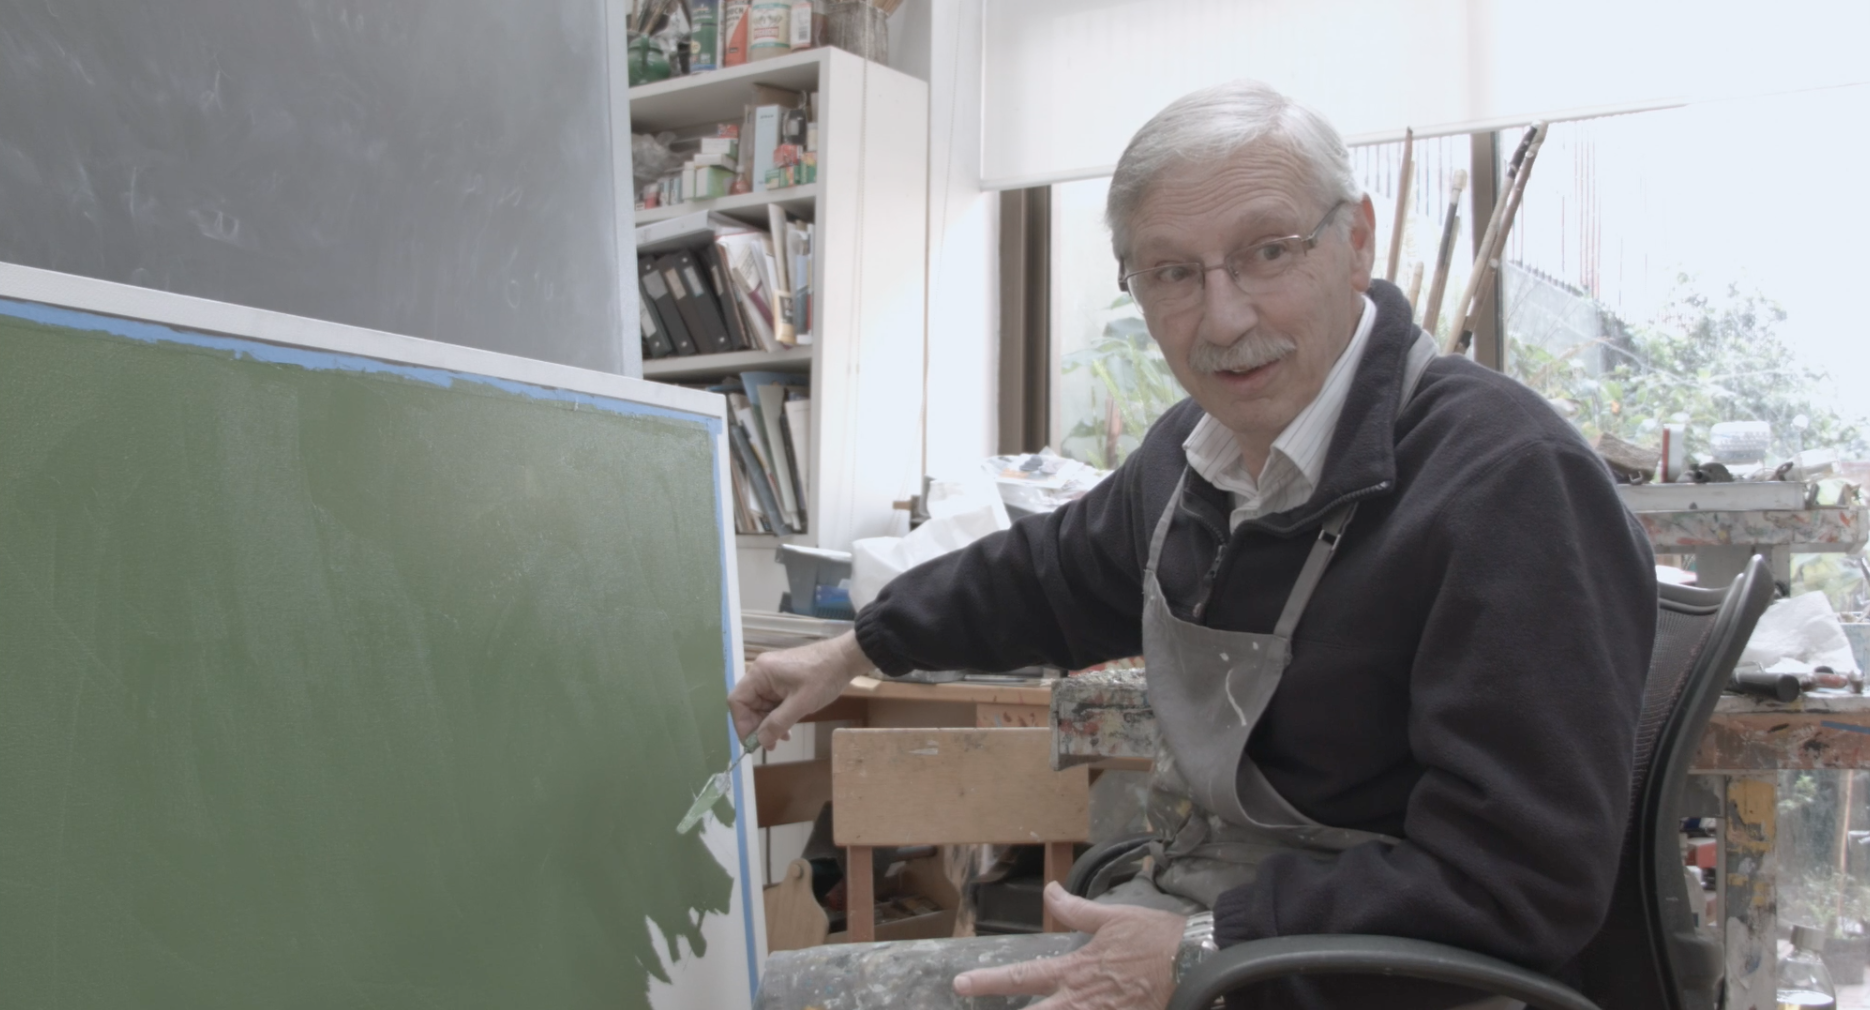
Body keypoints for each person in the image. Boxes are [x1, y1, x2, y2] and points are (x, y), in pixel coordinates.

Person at [732, 79, 1654, 1010]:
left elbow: (1520, 881)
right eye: (1172, 273)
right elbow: (1046, 576)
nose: (1223, 319)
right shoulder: (1192, 455)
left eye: (1268, 253)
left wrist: (1203, 950)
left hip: (1373, 978)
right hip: (1202, 925)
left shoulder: (1507, 482)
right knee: (778, 995)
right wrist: (856, 649)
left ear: (1357, 243)